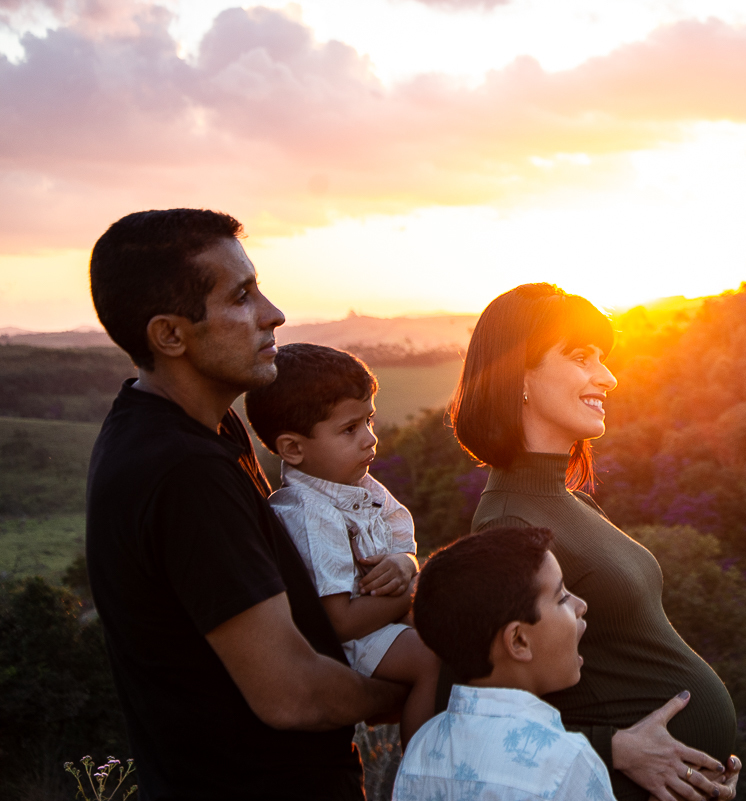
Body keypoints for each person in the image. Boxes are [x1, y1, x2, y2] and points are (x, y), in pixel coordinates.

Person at [86, 209, 407, 800]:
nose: (273, 313)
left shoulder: (203, 430)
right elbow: (292, 693)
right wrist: (413, 693)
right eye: (242, 295)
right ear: (171, 335)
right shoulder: (181, 470)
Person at [449, 283, 741, 801]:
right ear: (519, 375)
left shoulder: (572, 503)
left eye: (602, 358)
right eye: (581, 357)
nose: (607, 377)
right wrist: (616, 749)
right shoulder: (510, 524)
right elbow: (483, 713)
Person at [244, 343, 440, 746]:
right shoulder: (308, 513)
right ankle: (425, 771)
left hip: (384, 621)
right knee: (434, 660)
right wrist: (408, 593)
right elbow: (340, 622)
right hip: (353, 646)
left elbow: (400, 529)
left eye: (368, 421)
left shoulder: (358, 484)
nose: (371, 440)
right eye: (350, 429)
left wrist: (406, 562)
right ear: (293, 448)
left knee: (464, 628)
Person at [395, 526, 616, 801]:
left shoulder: (421, 749)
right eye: (561, 597)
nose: (580, 605)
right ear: (519, 640)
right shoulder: (565, 761)